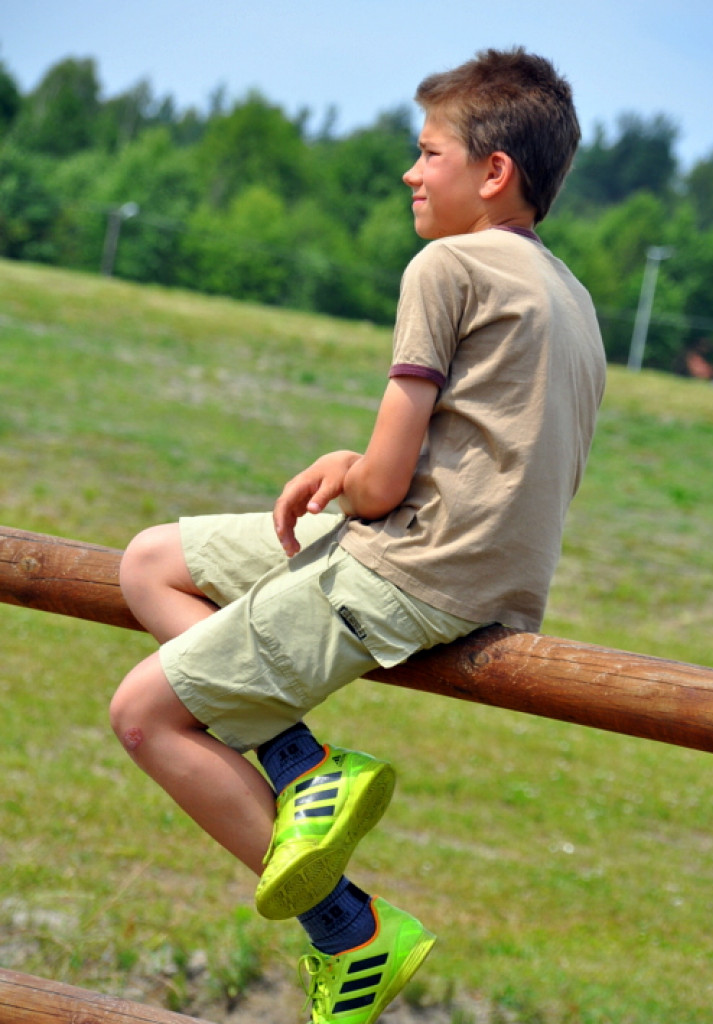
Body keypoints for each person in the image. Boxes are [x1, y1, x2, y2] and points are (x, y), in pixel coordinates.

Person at [110, 47, 606, 1024]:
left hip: (408, 567)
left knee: (143, 715)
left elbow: (383, 489)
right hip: (484, 573)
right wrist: (355, 472)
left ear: (492, 172)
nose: (410, 173)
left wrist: (356, 474)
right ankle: (300, 770)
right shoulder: (573, 297)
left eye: (428, 154)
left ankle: (351, 931)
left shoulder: (448, 264)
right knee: (151, 563)